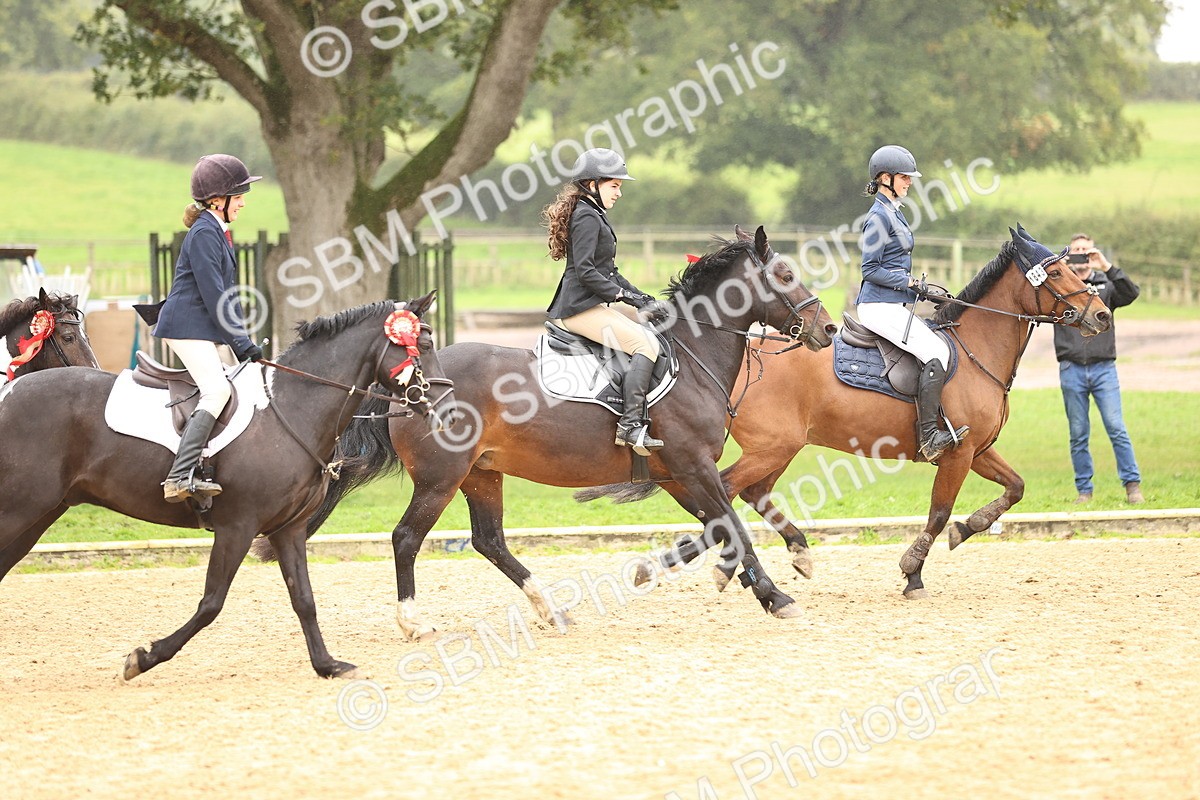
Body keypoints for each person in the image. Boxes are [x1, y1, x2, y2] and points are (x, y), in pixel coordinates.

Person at [152, 154, 263, 503]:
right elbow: (214, 295)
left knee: (240, 386)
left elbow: (225, 295)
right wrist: (241, 342)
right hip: (187, 327)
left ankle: (209, 464)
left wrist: (243, 339)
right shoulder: (203, 233)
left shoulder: (215, 230)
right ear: (218, 199)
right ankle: (178, 476)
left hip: (202, 327)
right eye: (239, 195)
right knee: (217, 391)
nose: (243, 202)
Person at [543, 148, 668, 455]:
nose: (619, 193)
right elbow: (586, 272)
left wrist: (640, 297)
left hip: (589, 306)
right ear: (592, 184)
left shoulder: (593, 213)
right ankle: (630, 427)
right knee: (645, 346)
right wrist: (622, 296)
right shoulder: (586, 216)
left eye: (619, 187)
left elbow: (609, 272)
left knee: (646, 340)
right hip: (578, 309)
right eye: (614, 186)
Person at [856, 144, 968, 462]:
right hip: (877, 306)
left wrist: (919, 290)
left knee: (939, 347)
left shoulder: (894, 212)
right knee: (935, 352)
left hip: (894, 304)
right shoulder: (878, 217)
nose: (909, 183)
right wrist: (908, 283)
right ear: (885, 178)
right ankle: (929, 437)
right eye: (905, 177)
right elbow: (871, 270)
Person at [1054, 233, 1143, 504]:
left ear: (1093, 253)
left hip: (1104, 368)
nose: (1082, 255)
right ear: (1069, 254)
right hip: (1071, 369)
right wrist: (1064, 270)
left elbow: (1131, 293)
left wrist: (1106, 266)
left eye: (1086, 251)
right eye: (1077, 250)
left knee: (1116, 427)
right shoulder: (1061, 289)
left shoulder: (1106, 286)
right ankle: (1084, 490)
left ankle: (1132, 486)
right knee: (1078, 433)